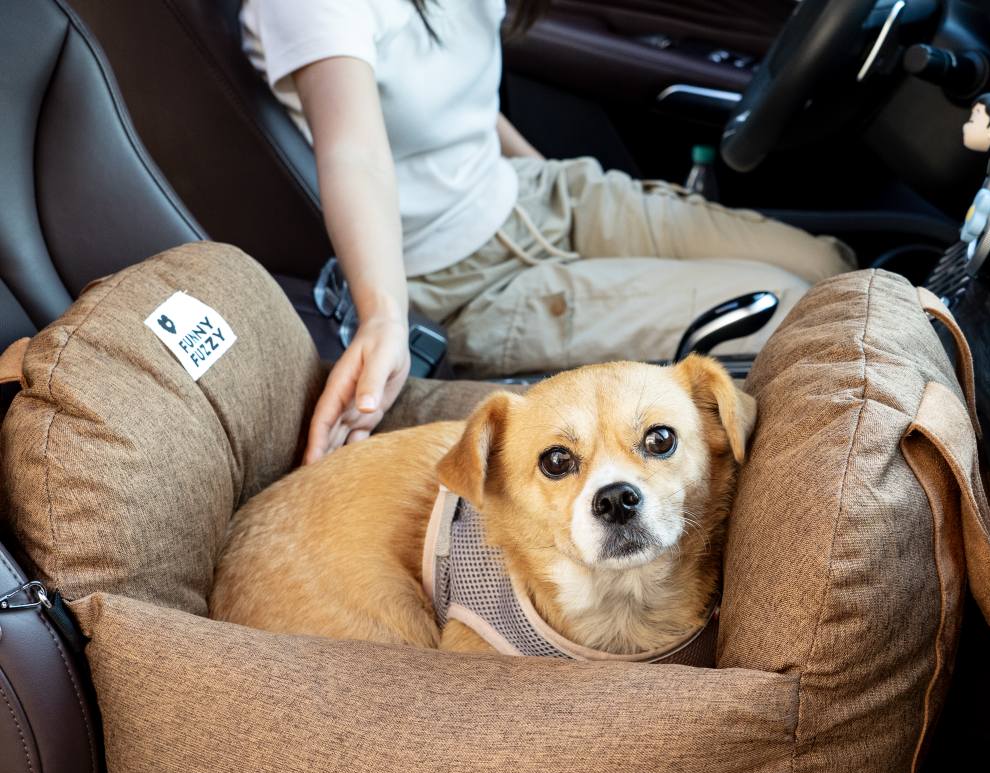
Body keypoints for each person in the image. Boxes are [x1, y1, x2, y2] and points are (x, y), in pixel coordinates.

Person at [241, 0, 855, 462]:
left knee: (832, 269)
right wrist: (383, 317)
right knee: (796, 314)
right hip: (468, 281)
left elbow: (458, 105)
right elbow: (354, 154)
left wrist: (544, 177)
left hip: (539, 197)